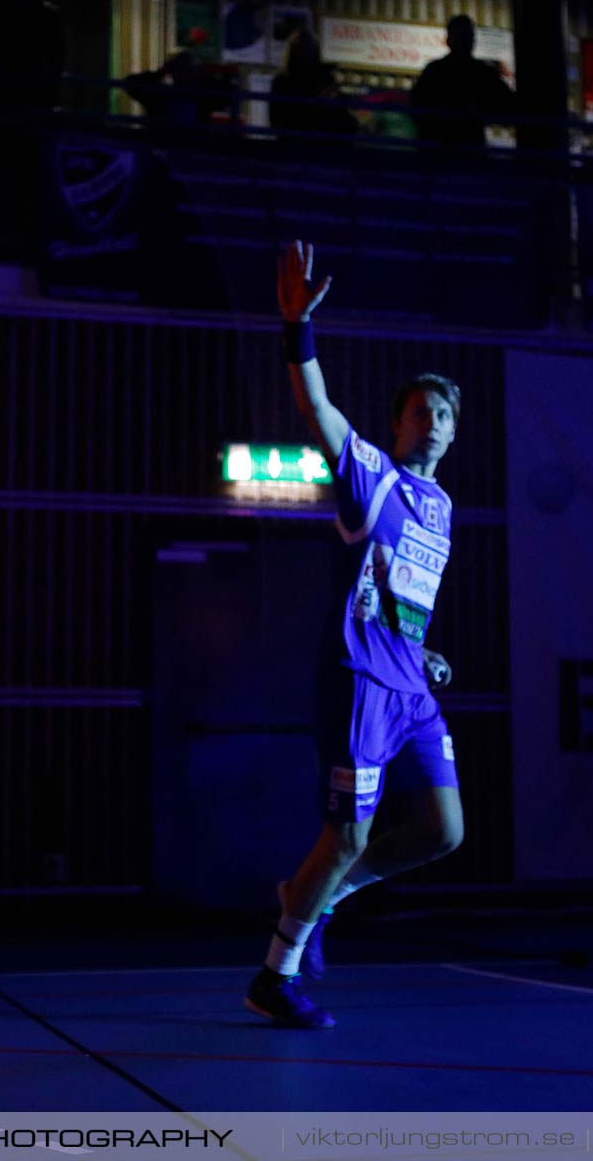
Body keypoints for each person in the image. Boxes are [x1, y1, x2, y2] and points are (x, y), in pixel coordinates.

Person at [244, 241, 462, 1029]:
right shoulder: (371, 473)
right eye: (418, 412)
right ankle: (276, 972)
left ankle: (323, 896)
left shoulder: (441, 510)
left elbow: (404, 600)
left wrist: (424, 647)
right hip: (360, 684)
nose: (431, 423)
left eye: (442, 414)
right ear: (399, 426)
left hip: (411, 685)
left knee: (444, 830)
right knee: (346, 834)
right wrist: (299, 329)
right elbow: (318, 407)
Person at [409, 14, 515, 147]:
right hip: (453, 150)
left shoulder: (435, 71)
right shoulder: (482, 72)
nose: (466, 41)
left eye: (468, 37)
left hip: (445, 151)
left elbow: (507, 105)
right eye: (463, 37)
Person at [269, 30, 357, 137]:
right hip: (320, 142)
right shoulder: (324, 80)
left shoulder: (281, 82)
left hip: (295, 143)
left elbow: (276, 122)